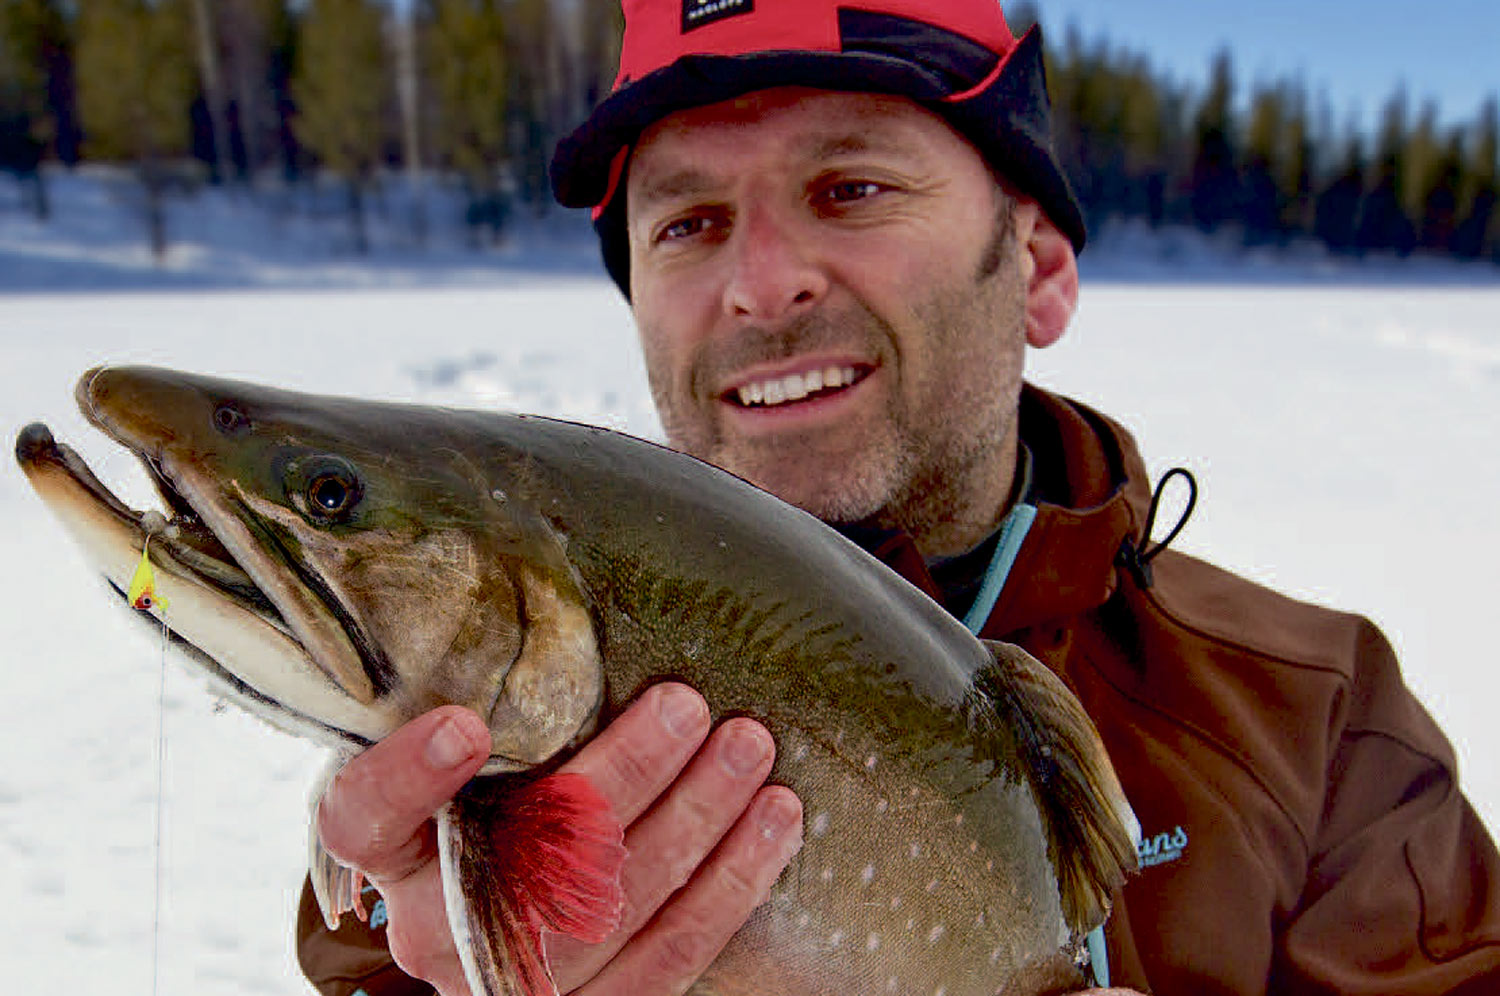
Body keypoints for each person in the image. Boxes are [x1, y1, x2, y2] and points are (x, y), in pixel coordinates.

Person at [296, 1, 1500, 994]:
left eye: (851, 188)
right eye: (691, 221)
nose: (760, 285)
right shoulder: (455, 803)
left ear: (1037, 270)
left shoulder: (1321, 721)